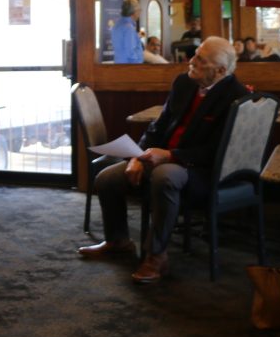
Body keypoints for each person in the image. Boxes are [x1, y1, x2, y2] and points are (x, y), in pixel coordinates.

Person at [77, 36, 248, 284]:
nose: (191, 60)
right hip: (160, 158)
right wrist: (138, 156)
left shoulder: (235, 97)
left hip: (201, 170)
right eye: (195, 54)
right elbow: (158, 128)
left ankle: (157, 257)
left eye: (200, 59)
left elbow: (215, 151)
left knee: (164, 176)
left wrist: (170, 155)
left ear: (220, 70)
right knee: (107, 179)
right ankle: (118, 241)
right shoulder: (184, 83)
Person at [110, 0, 143, 64]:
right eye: (139, 10)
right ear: (133, 12)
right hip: (129, 68)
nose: (140, 13)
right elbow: (131, 53)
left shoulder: (117, 24)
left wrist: (136, 37)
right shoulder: (129, 28)